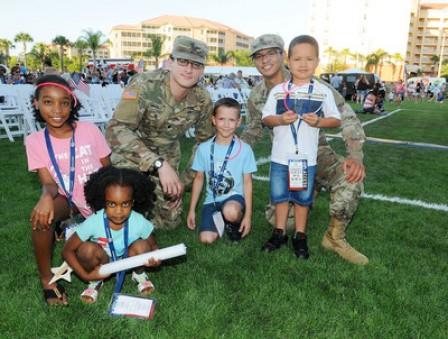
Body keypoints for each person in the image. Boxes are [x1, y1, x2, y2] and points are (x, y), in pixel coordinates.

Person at [240, 34, 368, 265]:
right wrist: (233, 152)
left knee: (352, 177)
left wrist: (355, 156)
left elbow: (346, 118)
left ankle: (335, 238)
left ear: (283, 56)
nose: (265, 59)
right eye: (258, 56)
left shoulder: (312, 82)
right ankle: (309, 195)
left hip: (317, 154)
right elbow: (254, 129)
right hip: (285, 158)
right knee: (282, 222)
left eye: (271, 53)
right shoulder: (258, 94)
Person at [106, 35, 214, 230]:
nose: (189, 70)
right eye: (182, 61)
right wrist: (158, 164)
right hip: (133, 153)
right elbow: (116, 129)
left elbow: (205, 143)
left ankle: (145, 207)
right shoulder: (144, 84)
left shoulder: (202, 99)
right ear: (170, 62)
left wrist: (183, 181)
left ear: (202, 70)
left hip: (168, 154)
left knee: (169, 222)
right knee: (123, 203)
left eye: (196, 65)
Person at [25, 74, 111, 305]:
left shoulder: (89, 130)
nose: (57, 110)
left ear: (72, 103)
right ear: (36, 103)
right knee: (42, 215)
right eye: (48, 101)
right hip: (69, 198)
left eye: (64, 102)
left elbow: (108, 173)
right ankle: (47, 279)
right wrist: (45, 197)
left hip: (99, 201)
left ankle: (72, 228)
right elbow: (49, 183)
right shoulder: (34, 141)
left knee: (91, 258)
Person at [261, 35, 341, 259]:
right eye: (297, 59)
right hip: (280, 158)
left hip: (305, 160)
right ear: (288, 61)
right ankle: (278, 233)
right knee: (279, 197)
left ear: (317, 61)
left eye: (309, 59)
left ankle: (300, 235)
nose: (303, 64)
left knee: (302, 199)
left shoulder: (322, 92)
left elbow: (336, 120)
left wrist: (319, 122)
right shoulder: (278, 90)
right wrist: (279, 120)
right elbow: (266, 118)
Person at [62, 166, 160, 304]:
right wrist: (85, 275)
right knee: (86, 250)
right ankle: (95, 280)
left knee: (143, 245)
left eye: (125, 204)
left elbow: (154, 246)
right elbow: (67, 250)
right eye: (112, 204)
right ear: (103, 202)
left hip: (129, 259)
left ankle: (139, 274)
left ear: (133, 202)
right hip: (103, 262)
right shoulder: (94, 222)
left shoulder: (138, 220)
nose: (118, 211)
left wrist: (156, 259)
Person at [187, 98, 257, 244]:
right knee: (206, 240)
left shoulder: (244, 149)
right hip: (211, 200)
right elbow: (199, 179)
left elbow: (248, 182)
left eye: (231, 120)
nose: (226, 124)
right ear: (213, 120)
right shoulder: (204, 148)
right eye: (221, 119)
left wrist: (248, 216)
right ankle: (221, 219)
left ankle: (233, 222)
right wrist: (192, 210)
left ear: (239, 122)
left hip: (234, 198)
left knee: (231, 211)